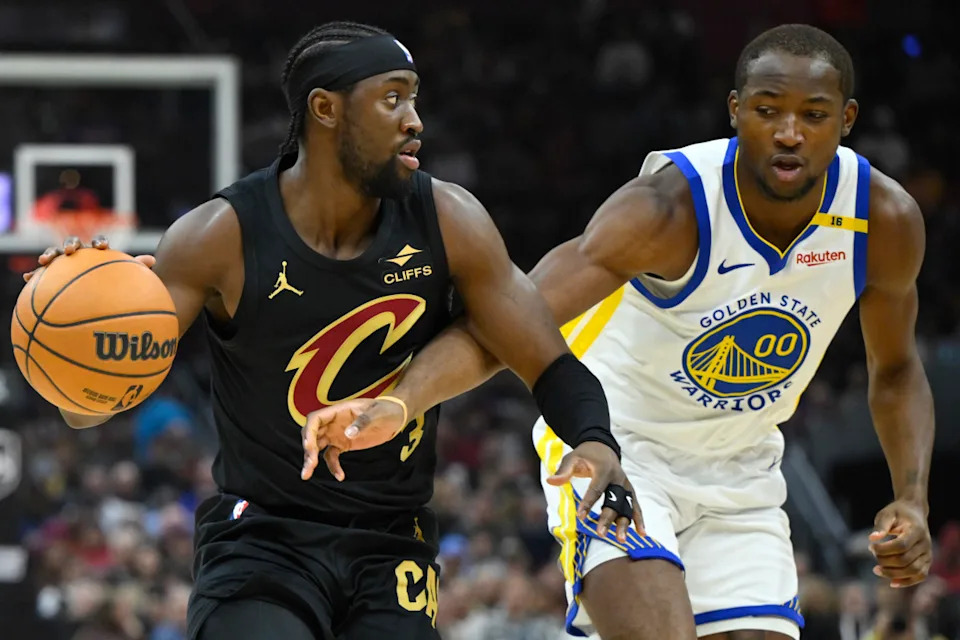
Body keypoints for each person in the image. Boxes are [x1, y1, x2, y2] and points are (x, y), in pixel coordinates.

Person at [305, 24, 935, 640]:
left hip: (743, 470)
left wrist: (911, 497)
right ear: (735, 111)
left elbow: (898, 369)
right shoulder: (667, 210)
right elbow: (510, 322)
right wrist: (402, 400)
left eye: (814, 115)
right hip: (617, 449)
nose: (789, 133)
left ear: (847, 119)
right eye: (767, 111)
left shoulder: (882, 221)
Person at [26, 21, 641, 640]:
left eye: (414, 99)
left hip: (393, 542)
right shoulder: (219, 236)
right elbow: (88, 410)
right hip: (262, 537)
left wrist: (595, 439)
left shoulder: (449, 220)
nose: (415, 121)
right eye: (393, 98)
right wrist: (75, 323)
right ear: (325, 109)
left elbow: (549, 361)